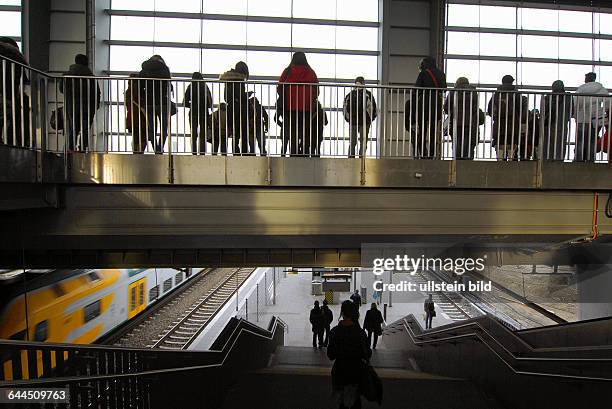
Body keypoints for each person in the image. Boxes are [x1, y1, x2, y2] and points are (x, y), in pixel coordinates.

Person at [327, 300, 371, 409]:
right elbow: (367, 354)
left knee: (341, 403)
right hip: (356, 373)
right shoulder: (360, 333)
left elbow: (331, 355)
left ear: (342, 313)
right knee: (355, 402)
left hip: (340, 372)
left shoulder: (335, 332)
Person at [278, 52, 319, 156]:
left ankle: (294, 152)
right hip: (307, 108)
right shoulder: (311, 72)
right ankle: (305, 152)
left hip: (290, 108)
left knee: (293, 131)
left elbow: (279, 88)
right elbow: (316, 91)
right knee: (305, 130)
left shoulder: (288, 71)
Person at [406, 57, 447, 159]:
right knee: (433, 131)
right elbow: (444, 88)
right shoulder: (441, 74)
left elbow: (417, 90)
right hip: (436, 105)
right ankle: (432, 154)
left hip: (424, 105)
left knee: (422, 131)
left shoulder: (424, 73)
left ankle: (424, 153)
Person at [60, 54, 100, 152]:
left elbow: (62, 89)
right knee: (85, 128)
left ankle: (71, 148)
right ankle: (82, 148)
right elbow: (96, 92)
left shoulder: (67, 75)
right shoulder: (91, 77)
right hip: (88, 107)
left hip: (72, 106)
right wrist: (95, 106)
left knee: (73, 127)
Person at [487, 75, 528, 161]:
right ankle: (511, 159)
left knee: (500, 142)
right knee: (512, 142)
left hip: (499, 125)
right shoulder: (516, 94)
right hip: (513, 124)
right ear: (512, 82)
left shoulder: (496, 95)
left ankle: (500, 160)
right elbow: (522, 109)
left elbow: (490, 111)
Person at [139, 55, 172, 154]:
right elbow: (168, 86)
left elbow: (140, 87)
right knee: (164, 127)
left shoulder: (144, 70)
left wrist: (144, 96)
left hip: (149, 102)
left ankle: (155, 148)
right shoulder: (165, 69)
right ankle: (160, 148)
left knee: (152, 127)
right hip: (163, 102)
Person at [573, 72, 609, 162]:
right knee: (592, 140)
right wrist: (603, 111)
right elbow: (608, 104)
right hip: (595, 118)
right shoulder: (601, 89)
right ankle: (591, 159)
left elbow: (575, 104)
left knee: (580, 140)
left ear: (587, 79)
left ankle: (579, 159)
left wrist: (575, 114)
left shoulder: (580, 90)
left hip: (581, 119)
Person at [0, 37, 28, 147]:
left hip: (5, 93)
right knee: (9, 116)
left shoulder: (7, 56)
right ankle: (13, 142)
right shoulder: (16, 59)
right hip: (9, 93)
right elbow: (23, 80)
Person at [443, 77, 480, 160]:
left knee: (457, 143)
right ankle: (467, 161)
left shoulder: (453, 91)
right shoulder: (473, 92)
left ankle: (458, 161)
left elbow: (446, 107)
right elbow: (475, 107)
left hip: (456, 122)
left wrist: (452, 111)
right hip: (470, 123)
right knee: (468, 143)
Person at [220, 61, 252, 155]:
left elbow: (226, 97)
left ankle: (236, 154)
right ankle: (245, 154)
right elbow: (240, 95)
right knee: (244, 134)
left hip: (232, 110)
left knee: (235, 134)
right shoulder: (239, 80)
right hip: (240, 111)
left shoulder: (228, 79)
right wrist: (247, 95)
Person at [343, 76, 377, 158]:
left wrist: (349, 119)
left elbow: (345, 109)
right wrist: (370, 119)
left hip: (353, 121)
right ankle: (362, 159)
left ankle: (351, 158)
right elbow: (373, 109)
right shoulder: (368, 94)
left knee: (352, 142)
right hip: (365, 122)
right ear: (364, 83)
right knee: (363, 141)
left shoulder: (350, 95)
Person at [540, 80, 572, 161]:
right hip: (562, 124)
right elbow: (572, 111)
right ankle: (559, 160)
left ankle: (547, 159)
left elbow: (543, 111)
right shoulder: (568, 97)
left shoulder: (547, 97)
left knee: (548, 143)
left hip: (549, 124)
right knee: (560, 143)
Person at [184, 72, 213, 155]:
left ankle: (194, 152)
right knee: (203, 133)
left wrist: (192, 105)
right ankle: (202, 152)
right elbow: (210, 102)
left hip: (193, 112)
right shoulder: (205, 87)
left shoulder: (190, 87)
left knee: (193, 133)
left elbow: (185, 102)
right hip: (204, 113)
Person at [125, 73, 147, 153]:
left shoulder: (128, 91)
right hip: (141, 117)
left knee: (136, 136)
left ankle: (136, 152)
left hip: (131, 117)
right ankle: (140, 152)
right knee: (143, 136)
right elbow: (143, 102)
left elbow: (127, 105)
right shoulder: (140, 90)